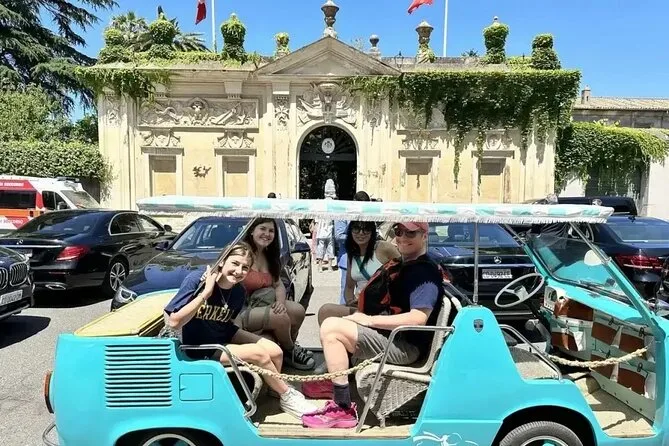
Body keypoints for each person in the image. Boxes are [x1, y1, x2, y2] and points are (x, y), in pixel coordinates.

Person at [301, 222, 444, 428]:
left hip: (405, 346)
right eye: (399, 231)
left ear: (424, 236)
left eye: (411, 233)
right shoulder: (406, 264)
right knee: (330, 315)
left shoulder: (423, 273)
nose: (403, 237)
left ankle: (342, 408)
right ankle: (337, 379)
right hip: (393, 336)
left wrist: (368, 320)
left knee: (332, 328)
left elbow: (418, 318)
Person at [164, 242, 316, 418]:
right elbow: (174, 322)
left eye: (245, 268)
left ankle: (274, 390)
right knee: (258, 354)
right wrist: (205, 293)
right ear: (222, 261)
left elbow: (229, 322)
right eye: (235, 263)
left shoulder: (238, 291)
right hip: (198, 346)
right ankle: (287, 396)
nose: (238, 271)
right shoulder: (197, 280)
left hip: (223, 333)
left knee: (275, 351)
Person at [237, 218, 315, 370]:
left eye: (271, 231)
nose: (267, 234)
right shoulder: (241, 253)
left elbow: (278, 285)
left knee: (298, 311)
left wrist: (280, 302)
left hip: (261, 303)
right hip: (241, 309)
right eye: (263, 229)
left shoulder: (269, 255)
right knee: (279, 317)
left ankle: (287, 346)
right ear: (252, 230)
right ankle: (290, 350)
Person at [318, 220, 400, 325]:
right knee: (325, 312)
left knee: (326, 311)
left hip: (382, 307)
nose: (361, 233)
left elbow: (404, 271)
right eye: (356, 228)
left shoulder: (383, 247)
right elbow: (349, 287)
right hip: (361, 305)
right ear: (350, 231)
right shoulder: (352, 254)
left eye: (366, 229)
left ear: (372, 231)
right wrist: (349, 301)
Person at [334, 191, 371, 304]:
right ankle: (344, 313)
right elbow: (338, 236)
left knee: (366, 292)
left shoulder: (369, 214)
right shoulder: (343, 214)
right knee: (346, 293)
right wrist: (358, 237)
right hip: (347, 259)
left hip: (366, 259)